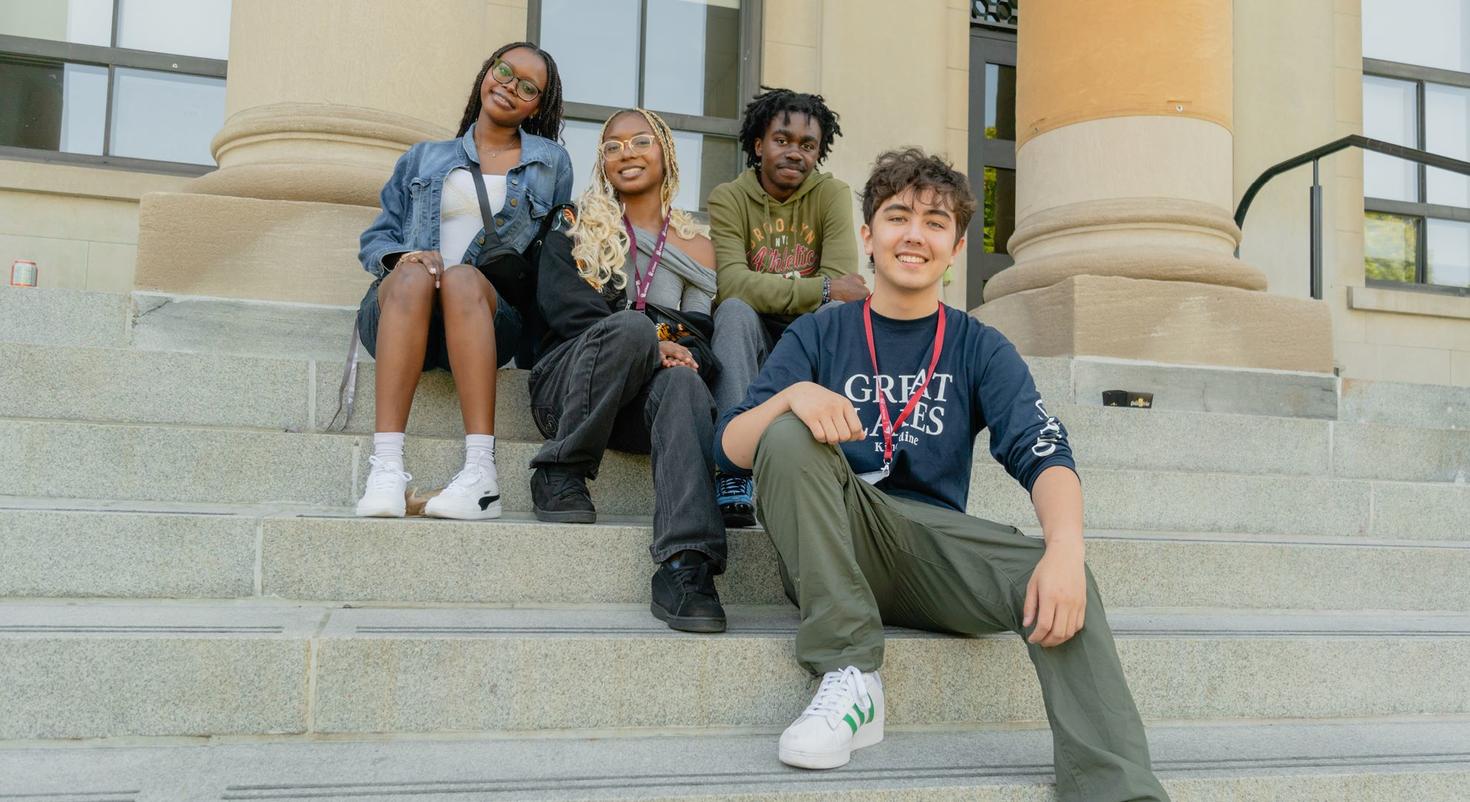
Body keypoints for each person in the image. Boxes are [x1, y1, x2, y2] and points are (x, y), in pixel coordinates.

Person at [714, 148, 1169, 801]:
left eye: (934, 222)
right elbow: (729, 446)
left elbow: (1042, 449)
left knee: (1063, 575)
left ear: (955, 247)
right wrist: (791, 398)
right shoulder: (822, 333)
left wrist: (1066, 549)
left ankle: (1116, 788)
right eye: (898, 217)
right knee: (783, 433)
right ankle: (850, 672)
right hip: (832, 540)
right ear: (868, 237)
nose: (914, 235)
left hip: (932, 551)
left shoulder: (978, 345)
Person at [529, 108, 728, 633]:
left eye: (640, 141)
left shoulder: (695, 242)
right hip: (570, 389)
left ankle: (686, 568)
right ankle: (560, 470)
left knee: (686, 380)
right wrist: (654, 338)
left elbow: (700, 339)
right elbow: (568, 313)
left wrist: (677, 348)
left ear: (665, 152)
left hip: (639, 408)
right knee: (634, 329)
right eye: (612, 145)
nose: (626, 153)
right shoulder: (573, 223)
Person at [353, 42, 571, 520]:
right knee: (414, 274)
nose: (511, 86)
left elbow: (552, 254)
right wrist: (404, 255)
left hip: (484, 323)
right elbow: (376, 238)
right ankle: (386, 470)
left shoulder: (549, 163)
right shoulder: (422, 157)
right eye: (505, 71)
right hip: (402, 313)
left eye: (528, 86)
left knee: (462, 279)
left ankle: (481, 475)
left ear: (539, 105)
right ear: (486, 73)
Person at [706, 87, 868, 527]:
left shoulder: (831, 195)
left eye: (807, 144)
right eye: (782, 140)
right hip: (755, 331)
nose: (795, 152)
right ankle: (733, 470)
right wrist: (822, 287)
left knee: (838, 317)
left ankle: (845, 459)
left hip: (811, 334)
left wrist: (817, 292)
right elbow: (734, 284)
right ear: (758, 145)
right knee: (735, 310)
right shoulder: (729, 198)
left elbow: (848, 290)